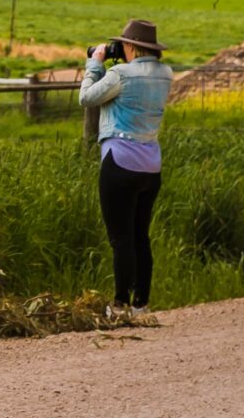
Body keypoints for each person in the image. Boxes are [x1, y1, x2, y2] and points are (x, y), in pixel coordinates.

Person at [79, 18, 170, 320]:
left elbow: (87, 97)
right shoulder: (165, 74)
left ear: (130, 47)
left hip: (120, 161)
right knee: (141, 237)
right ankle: (141, 305)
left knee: (121, 240)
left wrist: (95, 64)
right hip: (151, 165)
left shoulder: (120, 73)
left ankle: (118, 306)